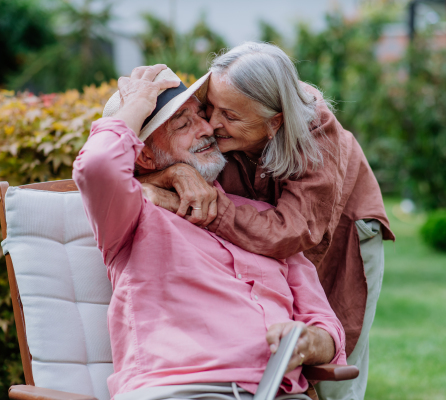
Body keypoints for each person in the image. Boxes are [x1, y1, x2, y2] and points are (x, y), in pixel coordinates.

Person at [135, 43, 396, 400]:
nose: (211, 124)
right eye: (210, 107)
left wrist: (214, 209)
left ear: (275, 123)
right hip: (263, 234)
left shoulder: (314, 130)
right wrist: (174, 175)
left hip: (341, 231)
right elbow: (114, 178)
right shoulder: (214, 124)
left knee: (334, 358)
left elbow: (289, 231)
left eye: (230, 115)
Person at [72, 64, 346, 400]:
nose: (207, 128)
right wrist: (138, 103)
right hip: (179, 390)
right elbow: (98, 166)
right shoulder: (134, 215)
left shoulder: (264, 222)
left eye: (202, 115)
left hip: (276, 391)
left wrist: (309, 342)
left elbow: (325, 324)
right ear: (142, 154)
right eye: (184, 124)